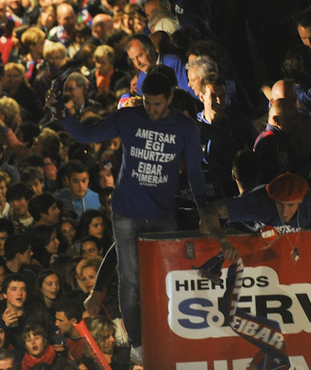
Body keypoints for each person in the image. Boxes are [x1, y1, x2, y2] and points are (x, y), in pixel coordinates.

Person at [51, 71, 207, 365]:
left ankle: (170, 332)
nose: (152, 110)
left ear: (170, 99)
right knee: (131, 281)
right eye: (147, 103)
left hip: (163, 214)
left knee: (167, 279)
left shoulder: (185, 127)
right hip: (126, 212)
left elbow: (197, 172)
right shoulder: (128, 118)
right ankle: (138, 343)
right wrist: (62, 113)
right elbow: (86, 134)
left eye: (158, 104)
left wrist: (204, 210)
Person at [202, 172, 311, 263]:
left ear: (301, 200)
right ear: (272, 199)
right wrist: (223, 241)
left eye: (291, 205)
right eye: (280, 204)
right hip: (241, 236)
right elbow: (210, 211)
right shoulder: (258, 203)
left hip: (272, 249)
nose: (285, 211)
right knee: (203, 226)